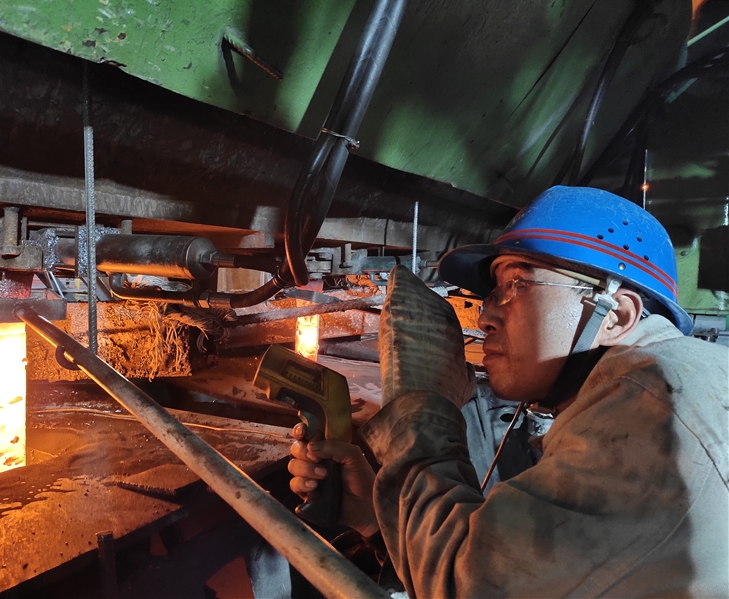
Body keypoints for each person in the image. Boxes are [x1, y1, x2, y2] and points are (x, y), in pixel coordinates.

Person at [289, 186, 729, 597]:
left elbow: (470, 583)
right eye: (494, 291)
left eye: (517, 285)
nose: (484, 318)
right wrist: (377, 513)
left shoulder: (652, 402)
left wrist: (421, 410)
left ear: (614, 316)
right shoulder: (671, 379)